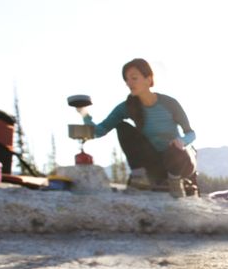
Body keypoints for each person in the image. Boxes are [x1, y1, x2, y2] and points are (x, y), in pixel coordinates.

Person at [84, 58, 198, 196]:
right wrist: (84, 113)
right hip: (153, 164)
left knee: (174, 148)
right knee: (122, 127)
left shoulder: (169, 103)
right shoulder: (127, 106)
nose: (129, 83)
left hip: (179, 162)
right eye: (126, 80)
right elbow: (99, 131)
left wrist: (182, 141)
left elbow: (191, 133)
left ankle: (175, 183)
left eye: (134, 78)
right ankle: (140, 177)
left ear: (148, 79)